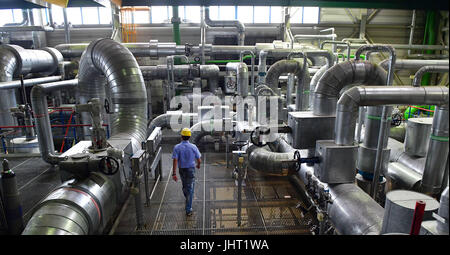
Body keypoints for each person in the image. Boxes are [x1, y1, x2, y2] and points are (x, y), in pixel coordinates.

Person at [172, 128, 201, 216]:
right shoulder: (193, 147)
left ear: (181, 136)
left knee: (185, 186)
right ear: (189, 137)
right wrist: (198, 165)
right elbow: (199, 159)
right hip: (190, 170)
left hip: (182, 170)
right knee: (190, 189)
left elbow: (175, 160)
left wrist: (174, 173)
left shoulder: (177, 147)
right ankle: (188, 209)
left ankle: (187, 199)